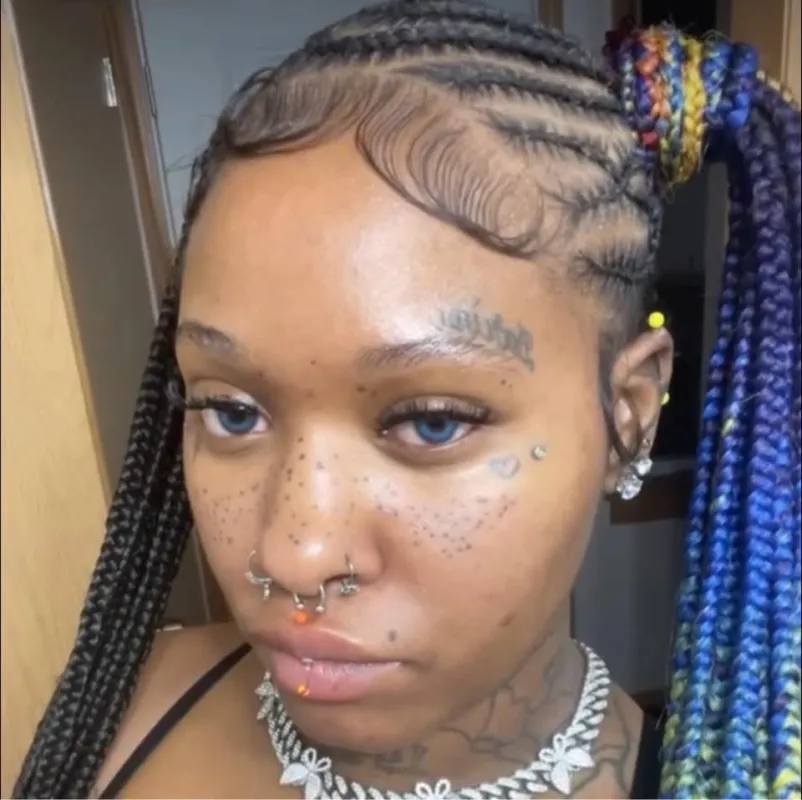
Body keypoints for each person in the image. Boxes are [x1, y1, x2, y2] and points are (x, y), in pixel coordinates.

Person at [13, 2, 801, 798]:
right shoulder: (120, 704)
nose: (294, 558)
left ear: (628, 413)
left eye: (432, 422)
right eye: (232, 411)